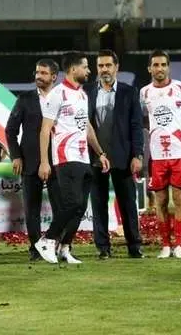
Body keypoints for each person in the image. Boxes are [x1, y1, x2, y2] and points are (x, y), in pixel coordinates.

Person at [36, 52, 110, 264]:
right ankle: (47, 239)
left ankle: (65, 247)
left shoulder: (83, 95)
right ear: (73, 69)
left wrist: (100, 153)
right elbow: (45, 130)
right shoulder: (57, 94)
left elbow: (86, 127)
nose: (89, 71)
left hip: (84, 157)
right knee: (72, 202)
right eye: (85, 67)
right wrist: (44, 161)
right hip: (65, 156)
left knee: (80, 207)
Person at [83, 50, 144, 259]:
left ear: (116, 67)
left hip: (123, 157)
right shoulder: (87, 91)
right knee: (98, 204)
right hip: (95, 157)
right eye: (100, 66)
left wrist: (138, 155)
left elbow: (136, 126)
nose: (104, 70)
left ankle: (134, 247)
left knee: (128, 204)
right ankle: (103, 248)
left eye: (108, 65)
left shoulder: (129, 92)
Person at [140, 50, 181, 259]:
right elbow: (141, 119)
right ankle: (165, 245)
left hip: (180, 152)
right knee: (161, 200)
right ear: (149, 68)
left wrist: (179, 132)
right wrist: (156, 131)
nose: (160, 68)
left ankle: (179, 245)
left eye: (163, 65)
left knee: (179, 198)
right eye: (156, 65)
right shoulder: (144, 93)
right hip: (157, 154)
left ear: (168, 67)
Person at [5, 59, 62, 261]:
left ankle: (58, 245)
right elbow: (10, 130)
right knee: (32, 209)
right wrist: (16, 156)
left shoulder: (63, 98)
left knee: (61, 208)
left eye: (43, 73)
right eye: (37, 72)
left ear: (54, 77)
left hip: (58, 161)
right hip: (29, 161)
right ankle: (36, 248)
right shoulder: (25, 99)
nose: (38, 76)